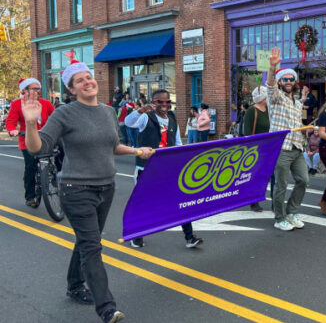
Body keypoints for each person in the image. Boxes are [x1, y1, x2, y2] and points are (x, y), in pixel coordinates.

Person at [22, 59, 154, 323]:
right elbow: (38, 147)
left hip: (107, 187)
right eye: (79, 80)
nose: (87, 82)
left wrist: (138, 151)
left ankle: (74, 285)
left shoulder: (107, 112)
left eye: (88, 77)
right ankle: (107, 308)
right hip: (76, 189)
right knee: (92, 246)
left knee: (86, 241)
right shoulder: (64, 114)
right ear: (72, 90)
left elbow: (113, 146)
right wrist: (31, 124)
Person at [125, 89, 203, 249]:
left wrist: (181, 160)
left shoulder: (173, 119)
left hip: (167, 169)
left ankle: (189, 237)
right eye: (159, 102)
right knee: (143, 203)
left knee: (181, 201)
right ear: (153, 102)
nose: (164, 105)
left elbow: (177, 143)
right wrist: (140, 110)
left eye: (167, 101)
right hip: (146, 169)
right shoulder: (146, 117)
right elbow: (128, 122)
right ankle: (136, 236)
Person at [266, 47, 308, 231]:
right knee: (281, 185)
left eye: (291, 79)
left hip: (297, 147)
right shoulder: (276, 98)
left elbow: (297, 121)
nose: (289, 81)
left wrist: (307, 132)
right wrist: (272, 69)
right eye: (285, 79)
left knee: (303, 180)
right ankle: (279, 218)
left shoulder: (296, 103)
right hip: (281, 147)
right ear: (280, 81)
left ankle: (291, 211)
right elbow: (270, 87)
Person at [5, 78, 55, 207]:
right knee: (31, 167)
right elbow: (10, 121)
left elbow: (56, 118)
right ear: (24, 90)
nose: (36, 92)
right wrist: (12, 131)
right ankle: (30, 197)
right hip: (26, 139)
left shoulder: (46, 103)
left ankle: (57, 176)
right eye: (33, 89)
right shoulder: (17, 104)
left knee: (61, 152)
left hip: (46, 138)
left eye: (37, 89)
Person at [241, 85, 272, 212]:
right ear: (262, 98)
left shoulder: (269, 110)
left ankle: (271, 200)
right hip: (256, 149)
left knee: (267, 175)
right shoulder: (251, 111)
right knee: (256, 175)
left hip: (269, 147)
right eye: (267, 96)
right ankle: (254, 201)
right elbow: (247, 132)